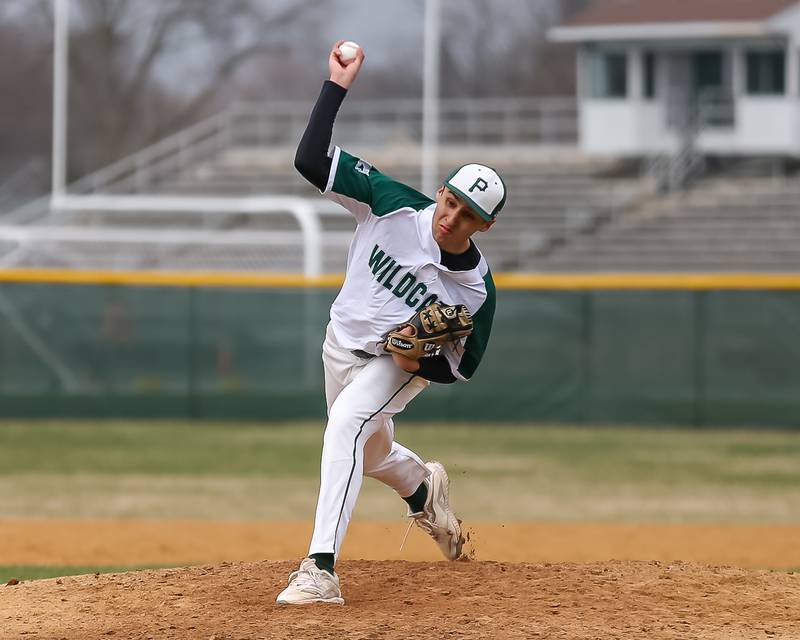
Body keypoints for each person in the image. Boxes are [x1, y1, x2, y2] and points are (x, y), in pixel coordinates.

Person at [276, 41, 505, 606]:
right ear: (441, 192)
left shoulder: (475, 289)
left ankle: (320, 570)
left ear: (483, 226)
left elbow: (461, 369)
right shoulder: (390, 202)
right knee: (370, 452)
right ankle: (424, 489)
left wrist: (413, 360)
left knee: (345, 426)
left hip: (392, 364)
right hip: (339, 344)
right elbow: (310, 161)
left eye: (467, 216)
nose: (450, 219)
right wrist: (336, 86)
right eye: (449, 202)